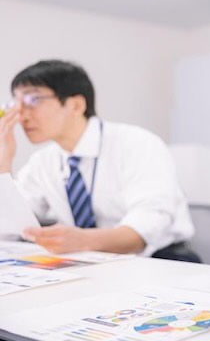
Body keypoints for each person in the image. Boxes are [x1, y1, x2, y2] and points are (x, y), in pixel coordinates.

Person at [0, 60, 199, 262]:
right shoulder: (43, 161)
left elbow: (147, 227)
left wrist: (84, 240)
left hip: (159, 260)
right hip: (91, 259)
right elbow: (9, 228)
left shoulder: (136, 143)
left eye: (33, 100)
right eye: (15, 103)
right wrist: (3, 163)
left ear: (76, 105)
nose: (20, 115)